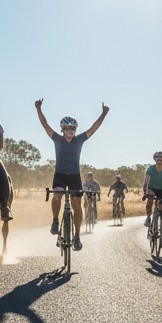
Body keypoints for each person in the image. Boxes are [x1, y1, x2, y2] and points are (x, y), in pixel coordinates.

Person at [35, 98, 109, 251]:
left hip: (75, 175)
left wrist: (104, 114)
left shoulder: (80, 139)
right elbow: (45, 124)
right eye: (67, 129)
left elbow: (94, 128)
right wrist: (38, 109)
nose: (70, 131)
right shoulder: (57, 138)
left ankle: (77, 236)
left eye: (73, 129)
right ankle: (55, 221)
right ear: (62, 129)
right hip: (60, 175)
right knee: (57, 195)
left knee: (77, 205)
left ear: (76, 130)